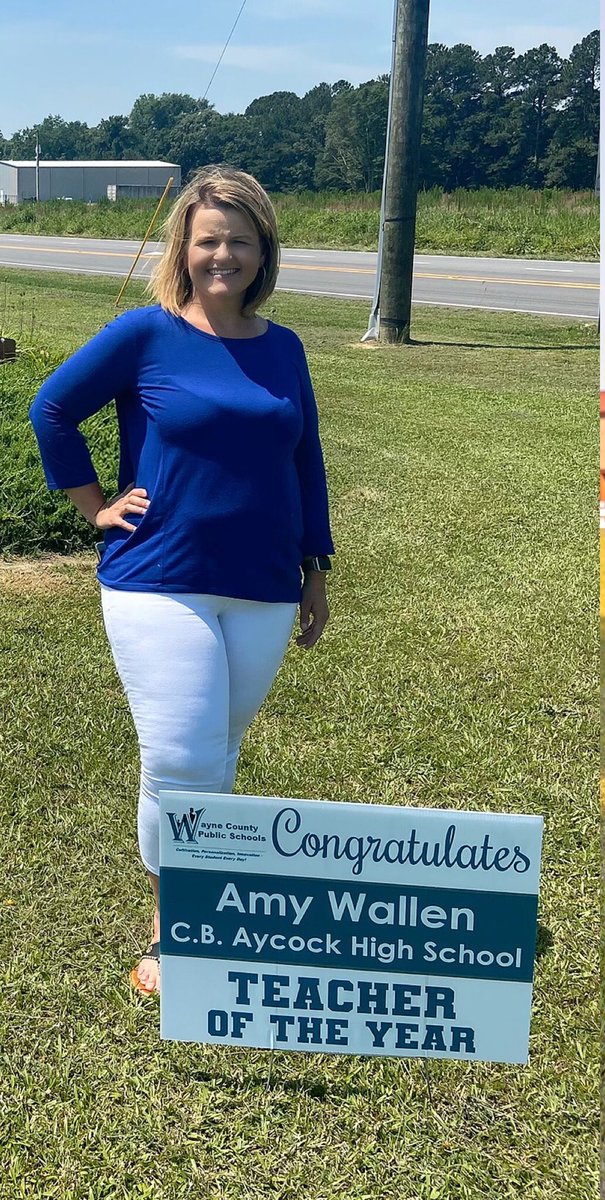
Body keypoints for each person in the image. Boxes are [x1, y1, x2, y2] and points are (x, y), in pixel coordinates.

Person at [29, 165, 335, 996]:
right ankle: (175, 929)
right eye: (208, 240)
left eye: (239, 240)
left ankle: (206, 897)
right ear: (184, 248)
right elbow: (51, 408)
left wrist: (316, 566)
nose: (222, 255)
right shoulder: (147, 333)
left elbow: (302, 456)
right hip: (158, 577)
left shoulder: (283, 347)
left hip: (266, 583)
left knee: (217, 753)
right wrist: (93, 505)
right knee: (178, 753)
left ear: (261, 249)